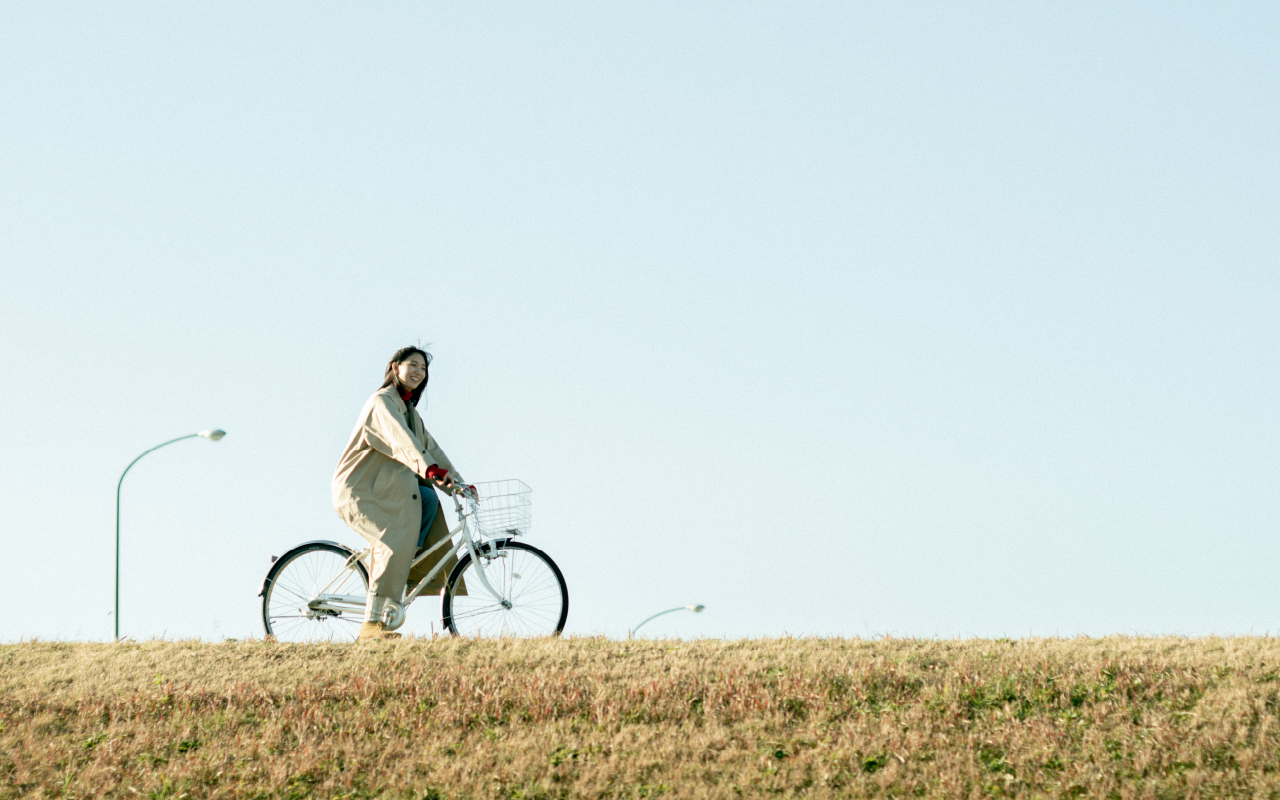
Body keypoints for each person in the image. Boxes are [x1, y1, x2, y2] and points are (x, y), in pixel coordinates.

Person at [331, 346, 474, 640]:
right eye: (413, 365)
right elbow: (401, 441)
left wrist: (459, 484)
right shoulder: (381, 402)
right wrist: (428, 469)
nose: (419, 372)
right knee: (392, 539)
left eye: (423, 368)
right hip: (359, 489)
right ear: (395, 367)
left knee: (428, 499)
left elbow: (430, 448)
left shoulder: (409, 411)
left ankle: (402, 568)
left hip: (384, 488)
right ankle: (371, 626)